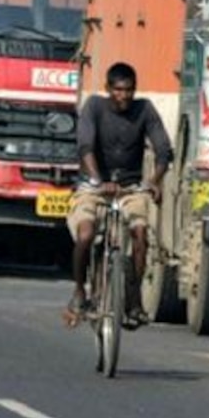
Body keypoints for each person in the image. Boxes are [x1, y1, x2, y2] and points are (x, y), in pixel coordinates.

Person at [65, 62, 173, 330]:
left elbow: (163, 150)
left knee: (140, 233)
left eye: (129, 91)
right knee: (86, 234)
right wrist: (98, 181)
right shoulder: (94, 107)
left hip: (130, 188)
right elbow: (86, 146)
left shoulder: (144, 109)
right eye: (118, 90)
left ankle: (133, 300)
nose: (124, 96)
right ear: (108, 89)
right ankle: (80, 291)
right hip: (93, 186)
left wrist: (155, 181)